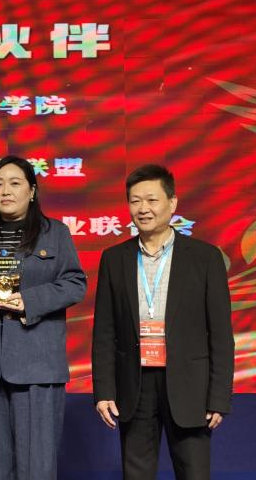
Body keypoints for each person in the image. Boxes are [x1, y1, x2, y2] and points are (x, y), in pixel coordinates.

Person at [91, 164, 234, 480]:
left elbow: (221, 334)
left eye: (152, 200)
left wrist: (219, 397)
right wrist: (103, 390)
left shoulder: (205, 257)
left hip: (190, 387)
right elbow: (104, 332)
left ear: (172, 203)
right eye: (135, 201)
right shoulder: (114, 259)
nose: (143, 209)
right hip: (134, 384)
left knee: (194, 473)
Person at [0, 156, 86, 480]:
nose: (6, 191)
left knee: (36, 468)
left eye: (15, 183)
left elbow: (75, 283)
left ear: (32, 191)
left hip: (37, 366)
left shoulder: (55, 233)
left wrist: (29, 300)